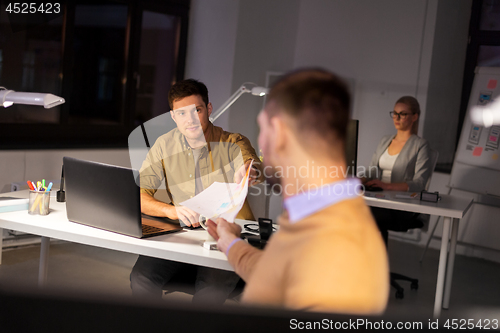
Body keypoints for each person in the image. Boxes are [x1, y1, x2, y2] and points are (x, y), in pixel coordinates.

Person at [206, 69, 389, 314]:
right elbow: (277, 272)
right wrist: (230, 242)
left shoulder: (334, 241)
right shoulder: (323, 211)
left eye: (263, 130)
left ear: (279, 132)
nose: (261, 144)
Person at [130, 79, 263, 303]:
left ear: (208, 109)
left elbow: (251, 165)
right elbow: (139, 195)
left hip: (226, 235)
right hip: (183, 233)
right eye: (181, 113)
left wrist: (250, 171)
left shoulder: (233, 141)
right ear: (173, 116)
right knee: (141, 277)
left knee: (209, 294)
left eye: (197, 110)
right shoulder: (164, 145)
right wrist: (172, 211)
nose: (190, 120)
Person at [364, 96, 433, 243]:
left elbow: (419, 183)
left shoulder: (420, 145)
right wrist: (357, 180)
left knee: (365, 215)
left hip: (401, 204)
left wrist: (386, 186)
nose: (397, 117)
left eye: (402, 114)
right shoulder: (385, 140)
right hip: (379, 199)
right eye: (395, 113)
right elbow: (372, 171)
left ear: (414, 117)